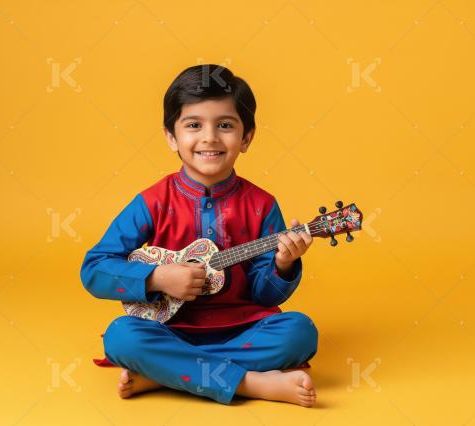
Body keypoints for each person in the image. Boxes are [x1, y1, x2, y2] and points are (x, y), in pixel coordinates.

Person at [80, 64, 317, 407]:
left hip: (243, 329)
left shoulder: (262, 205)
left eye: (225, 125)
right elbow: (94, 269)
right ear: (171, 137)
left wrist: (283, 264)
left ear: (246, 137)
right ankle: (252, 383)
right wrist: (157, 277)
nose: (209, 138)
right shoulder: (152, 201)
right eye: (194, 125)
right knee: (122, 337)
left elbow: (264, 296)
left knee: (299, 332)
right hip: (170, 330)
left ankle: (165, 373)